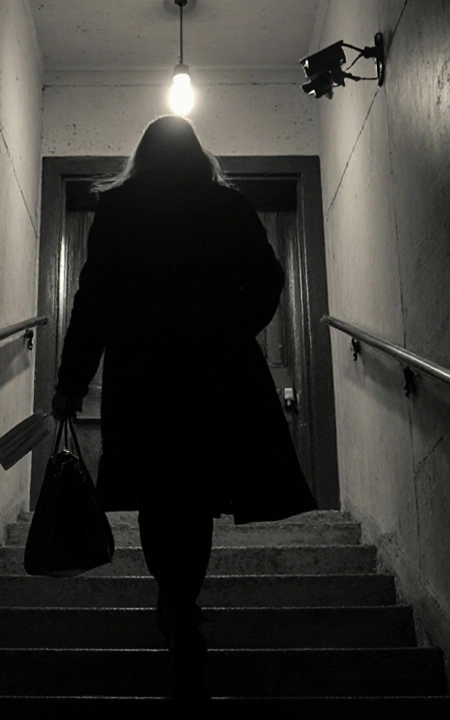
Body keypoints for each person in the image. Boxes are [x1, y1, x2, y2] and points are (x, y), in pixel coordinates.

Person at [51, 115, 317, 703]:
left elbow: (93, 300)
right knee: (194, 493)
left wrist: (71, 381)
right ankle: (182, 599)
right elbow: (269, 280)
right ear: (198, 155)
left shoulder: (119, 210)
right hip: (212, 374)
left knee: (159, 492)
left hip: (144, 377)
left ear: (143, 155)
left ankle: (173, 596)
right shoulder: (226, 205)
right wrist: (233, 327)